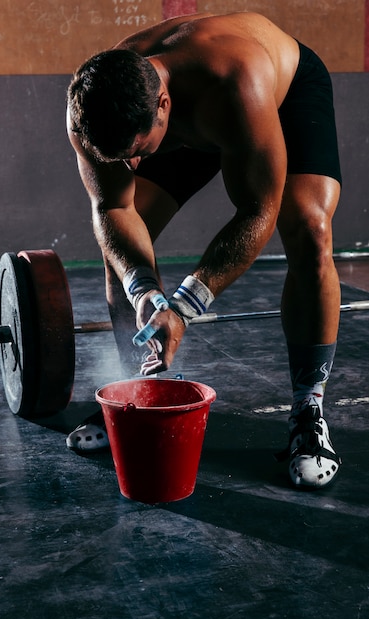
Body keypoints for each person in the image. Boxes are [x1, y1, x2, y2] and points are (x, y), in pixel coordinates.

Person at [65, 12, 342, 489]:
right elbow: (112, 207)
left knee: (310, 229)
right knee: (123, 244)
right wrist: (145, 292)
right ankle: (135, 395)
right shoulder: (89, 110)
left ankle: (308, 408)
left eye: (137, 152)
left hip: (278, 94)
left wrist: (185, 305)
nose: (130, 165)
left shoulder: (235, 81)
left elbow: (259, 211)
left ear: (163, 106)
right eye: (120, 157)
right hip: (183, 127)